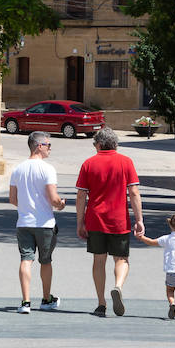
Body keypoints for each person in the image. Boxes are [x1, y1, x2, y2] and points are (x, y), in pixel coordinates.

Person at [75, 127, 145, 317]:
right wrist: (139, 220)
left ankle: (101, 303)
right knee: (121, 259)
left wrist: (80, 222)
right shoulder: (126, 162)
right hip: (118, 220)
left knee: (99, 260)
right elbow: (134, 192)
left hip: (95, 219)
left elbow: (81, 195)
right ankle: (118, 286)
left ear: (98, 144)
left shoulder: (89, 163)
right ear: (115, 144)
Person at [8, 131, 66, 314]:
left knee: (26, 259)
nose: (50, 148)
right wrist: (61, 204)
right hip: (45, 223)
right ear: (39, 146)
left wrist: (26, 206)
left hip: (24, 222)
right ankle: (46, 299)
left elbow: (12, 199)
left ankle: (25, 302)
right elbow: (53, 198)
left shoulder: (18, 169)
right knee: (45, 261)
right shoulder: (47, 169)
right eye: (48, 145)